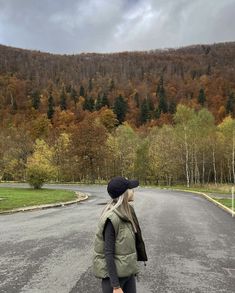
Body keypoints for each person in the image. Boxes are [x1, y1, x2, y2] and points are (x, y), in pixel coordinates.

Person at [92, 176, 148, 293]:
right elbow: (108, 253)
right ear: (125, 193)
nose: (134, 191)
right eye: (131, 189)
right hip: (114, 280)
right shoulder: (112, 219)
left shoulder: (128, 212)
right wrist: (116, 286)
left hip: (128, 273)